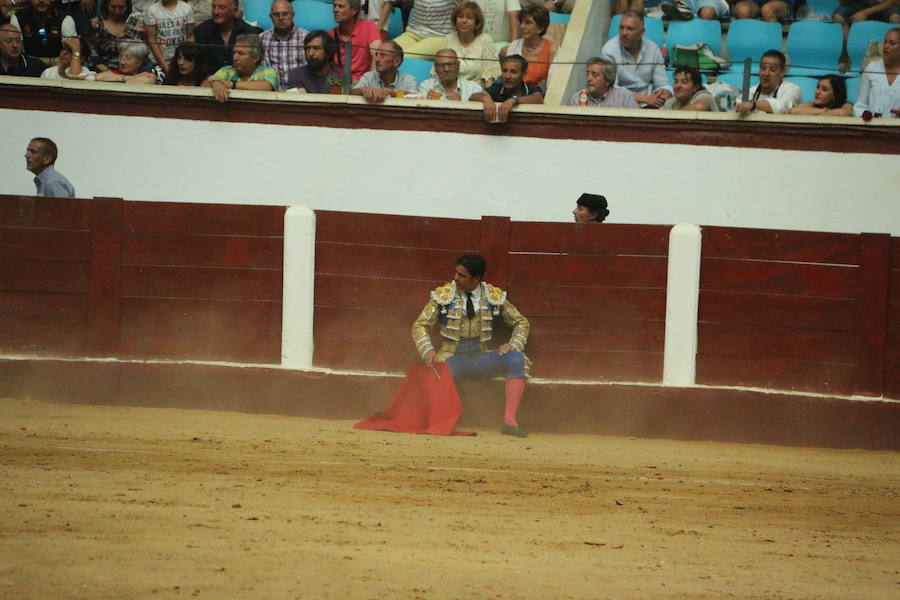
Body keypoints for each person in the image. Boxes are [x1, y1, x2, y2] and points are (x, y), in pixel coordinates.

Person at [411, 254, 531, 437]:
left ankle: (509, 422)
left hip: (480, 356)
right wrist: (427, 350)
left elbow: (521, 322)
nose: (455, 278)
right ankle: (442, 421)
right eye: (456, 273)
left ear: (476, 278)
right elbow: (419, 325)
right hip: (451, 357)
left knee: (517, 359)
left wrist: (513, 344)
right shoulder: (444, 295)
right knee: (440, 374)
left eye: (461, 275)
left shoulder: (492, 296)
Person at [600, 10, 672, 108]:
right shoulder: (609, 50)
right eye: (621, 27)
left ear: (641, 32)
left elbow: (662, 83)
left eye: (630, 29)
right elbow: (611, 90)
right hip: (619, 106)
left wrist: (664, 92)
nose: (624, 33)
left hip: (648, 105)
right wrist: (645, 98)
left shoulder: (653, 49)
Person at [438, 1, 499, 88]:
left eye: (469, 18)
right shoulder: (448, 39)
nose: (463, 21)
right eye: (460, 16)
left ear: (477, 23)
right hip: (450, 90)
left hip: (476, 92)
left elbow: (490, 75)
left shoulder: (486, 40)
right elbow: (439, 71)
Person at [203, 32, 278, 102]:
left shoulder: (267, 71)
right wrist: (215, 83)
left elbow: (266, 86)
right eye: (234, 52)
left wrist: (231, 84)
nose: (235, 58)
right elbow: (204, 84)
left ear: (255, 58)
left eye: (241, 53)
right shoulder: (227, 70)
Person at [471, 54, 544, 122]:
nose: (507, 76)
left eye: (513, 72)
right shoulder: (497, 87)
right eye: (505, 71)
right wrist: (486, 99)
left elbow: (538, 98)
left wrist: (514, 100)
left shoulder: (530, 88)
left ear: (523, 74)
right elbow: (473, 97)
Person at [194, 0, 261, 72]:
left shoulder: (248, 32)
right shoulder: (202, 31)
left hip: (241, 77)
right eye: (213, 7)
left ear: (234, 11)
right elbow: (199, 65)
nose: (216, 12)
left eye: (222, 7)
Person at [501, 3, 557, 88]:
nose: (522, 27)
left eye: (528, 23)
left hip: (540, 94)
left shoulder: (552, 49)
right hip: (514, 93)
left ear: (540, 28)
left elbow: (553, 84)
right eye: (521, 22)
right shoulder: (514, 46)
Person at [381, 0, 458, 59]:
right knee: (383, 53)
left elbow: (464, 8)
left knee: (401, 57)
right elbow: (390, 2)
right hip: (413, 33)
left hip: (439, 37)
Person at [734, 50, 802, 115]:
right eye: (763, 68)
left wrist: (753, 104)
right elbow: (738, 105)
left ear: (782, 72)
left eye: (772, 69)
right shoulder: (751, 91)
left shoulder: (793, 89)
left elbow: (782, 106)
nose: (766, 74)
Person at [10, 0, 77, 64]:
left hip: (58, 69)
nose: (41, 0)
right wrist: (54, 61)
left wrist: (32, 61)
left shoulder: (66, 19)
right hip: (28, 69)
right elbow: (17, 57)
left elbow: (69, 58)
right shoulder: (18, 18)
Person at [329, 0, 382, 82]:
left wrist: (371, 83)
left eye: (340, 6)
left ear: (354, 10)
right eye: (334, 6)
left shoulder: (368, 26)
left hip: (364, 83)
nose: (335, 10)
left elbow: (377, 54)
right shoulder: (330, 35)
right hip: (339, 83)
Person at [260, 0, 308, 89]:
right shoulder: (262, 39)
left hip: (302, 91)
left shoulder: (306, 37)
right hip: (273, 91)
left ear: (293, 15)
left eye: (285, 14)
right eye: (276, 14)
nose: (281, 18)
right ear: (270, 17)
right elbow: (262, 71)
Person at [86, 0, 144, 73]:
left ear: (128, 7)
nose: (117, 11)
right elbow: (92, 53)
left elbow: (140, 52)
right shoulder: (96, 24)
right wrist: (109, 72)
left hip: (131, 70)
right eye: (113, 7)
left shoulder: (134, 22)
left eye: (121, 7)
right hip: (102, 70)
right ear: (106, 6)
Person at [351, 39, 417, 102]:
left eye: (383, 55)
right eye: (376, 55)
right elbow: (351, 93)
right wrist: (362, 90)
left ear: (397, 61)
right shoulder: (369, 76)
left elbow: (415, 97)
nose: (377, 59)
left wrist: (391, 92)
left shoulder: (407, 80)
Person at [854, 27, 900, 118]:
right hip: (872, 124)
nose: (886, 46)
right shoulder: (871, 68)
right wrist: (866, 116)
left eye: (892, 43)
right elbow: (860, 105)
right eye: (885, 42)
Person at [567, 56, 638, 108]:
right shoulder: (576, 99)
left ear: (607, 80)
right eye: (587, 74)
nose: (589, 78)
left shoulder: (625, 98)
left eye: (594, 75)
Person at [144, 0, 195, 70]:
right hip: (159, 61)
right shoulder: (152, 10)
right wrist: (164, 66)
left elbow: (190, 37)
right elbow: (152, 39)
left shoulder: (186, 8)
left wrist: (187, 61)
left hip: (181, 60)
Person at [833, 0, 900, 45]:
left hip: (884, 7)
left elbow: (890, 3)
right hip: (860, 4)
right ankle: (846, 52)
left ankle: (894, 55)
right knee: (838, 17)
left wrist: (865, 13)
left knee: (895, 18)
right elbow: (843, 3)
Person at [95, 40, 162, 82]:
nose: (122, 62)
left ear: (140, 62)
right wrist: (131, 77)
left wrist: (117, 79)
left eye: (129, 58)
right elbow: (99, 77)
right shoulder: (116, 72)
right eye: (121, 57)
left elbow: (141, 82)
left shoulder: (147, 74)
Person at [661, 0, 730, 20]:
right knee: (677, 4)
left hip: (713, 2)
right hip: (691, 3)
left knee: (707, 13)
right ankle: (683, 10)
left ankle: (685, 11)